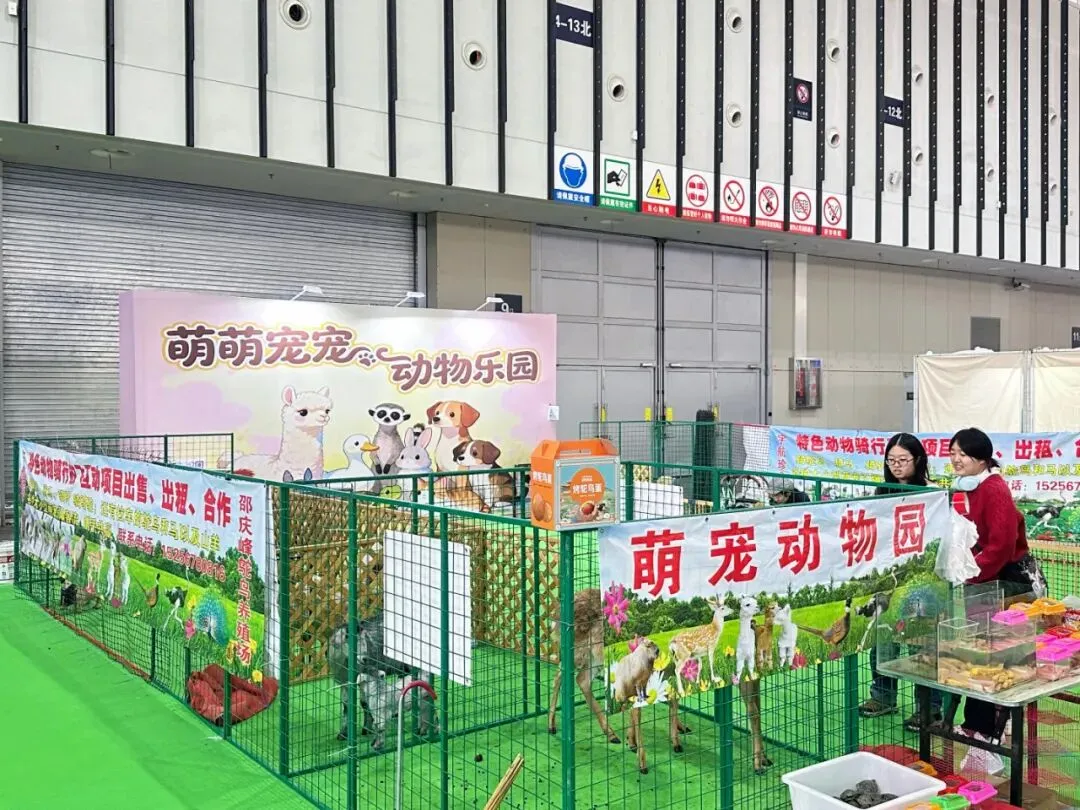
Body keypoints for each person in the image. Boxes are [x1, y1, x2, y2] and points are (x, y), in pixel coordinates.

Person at [949, 427, 1047, 774]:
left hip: (1006, 582)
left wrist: (970, 572)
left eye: (962, 454)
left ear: (981, 458)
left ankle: (988, 737)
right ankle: (981, 728)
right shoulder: (970, 487)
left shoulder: (993, 489)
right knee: (984, 651)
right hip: (985, 578)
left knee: (998, 655)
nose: (955, 459)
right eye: (952, 453)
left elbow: (1002, 545)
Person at [858, 433, 945, 732]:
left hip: (923, 579)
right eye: (891, 460)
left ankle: (929, 708)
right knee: (883, 638)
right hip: (889, 578)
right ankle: (883, 696)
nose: (896, 466)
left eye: (903, 460)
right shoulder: (882, 492)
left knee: (921, 642)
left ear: (917, 460)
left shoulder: (933, 494)